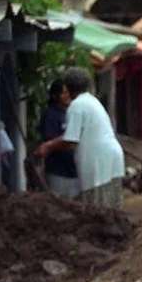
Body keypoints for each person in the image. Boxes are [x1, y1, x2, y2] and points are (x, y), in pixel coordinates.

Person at [35, 67, 125, 208]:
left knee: (98, 209)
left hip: (99, 163)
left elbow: (71, 140)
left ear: (68, 86)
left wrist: (48, 146)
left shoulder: (76, 106)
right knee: (111, 208)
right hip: (112, 159)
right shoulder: (91, 101)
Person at [38, 79, 78, 198]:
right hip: (58, 171)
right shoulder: (51, 115)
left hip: (74, 171)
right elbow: (50, 140)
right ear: (55, 95)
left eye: (68, 92)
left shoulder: (71, 112)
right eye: (63, 93)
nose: (67, 96)